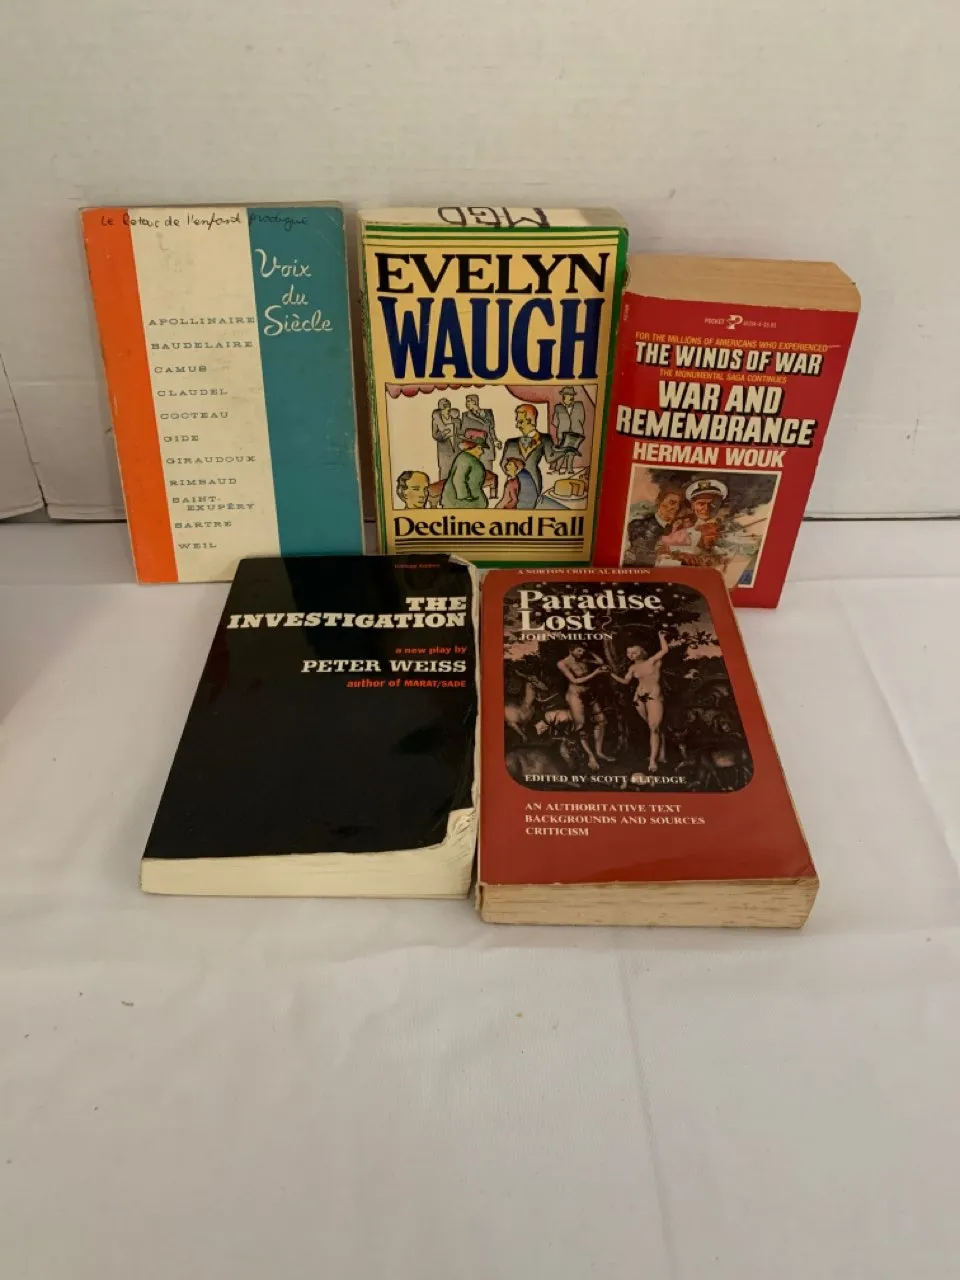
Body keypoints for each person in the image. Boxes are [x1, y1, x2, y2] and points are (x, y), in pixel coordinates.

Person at [609, 632, 671, 773]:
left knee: (654, 728)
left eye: (634, 652)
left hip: (653, 696)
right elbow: (625, 682)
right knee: (653, 727)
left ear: (641, 652)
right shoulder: (632, 668)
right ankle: (661, 754)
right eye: (628, 653)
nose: (631, 655)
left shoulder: (652, 661)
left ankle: (652, 761)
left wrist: (661, 636)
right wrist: (610, 674)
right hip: (638, 698)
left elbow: (665, 650)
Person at [556, 644, 613, 771]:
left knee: (601, 721)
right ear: (570, 650)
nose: (582, 653)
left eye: (583, 651)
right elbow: (575, 681)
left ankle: (599, 752)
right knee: (581, 725)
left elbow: (600, 662)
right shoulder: (562, 663)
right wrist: (596, 673)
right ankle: (590, 756)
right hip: (575, 696)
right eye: (579, 650)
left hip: (589, 694)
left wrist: (591, 652)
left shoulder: (584, 660)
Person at [500, 404, 555, 501]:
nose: (517, 425)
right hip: (514, 486)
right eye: (517, 422)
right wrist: (514, 473)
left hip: (534, 483)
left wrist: (566, 449)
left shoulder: (545, 439)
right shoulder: (511, 443)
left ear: (531, 421)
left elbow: (550, 458)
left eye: (520, 422)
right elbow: (503, 463)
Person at [625, 486, 683, 565]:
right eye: (672, 503)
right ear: (659, 502)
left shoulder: (676, 528)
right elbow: (639, 555)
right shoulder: (639, 525)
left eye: (678, 505)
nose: (676, 508)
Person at [440, 426, 488, 508]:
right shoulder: (465, 459)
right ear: (470, 446)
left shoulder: (469, 459)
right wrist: (465, 497)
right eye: (479, 448)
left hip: (470, 499)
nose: (482, 452)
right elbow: (458, 479)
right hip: (460, 502)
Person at [551, 385, 586, 475]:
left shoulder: (579, 405)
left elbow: (582, 418)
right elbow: (555, 421)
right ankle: (557, 470)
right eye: (567, 396)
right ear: (563, 397)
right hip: (563, 433)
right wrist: (563, 426)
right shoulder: (558, 407)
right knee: (561, 451)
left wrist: (576, 426)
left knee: (572, 452)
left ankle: (569, 469)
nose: (569, 398)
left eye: (571, 396)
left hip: (575, 433)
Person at [461, 394, 499, 471]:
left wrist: (495, 440)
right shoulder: (465, 415)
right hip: (474, 448)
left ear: (474, 402)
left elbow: (491, 429)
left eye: (468, 401)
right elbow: (464, 432)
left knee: (488, 471)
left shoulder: (488, 412)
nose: (466, 404)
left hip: (488, 446)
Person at [431, 398, 462, 483]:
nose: (446, 411)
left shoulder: (456, 419)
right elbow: (435, 435)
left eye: (448, 408)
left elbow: (461, 432)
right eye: (444, 408)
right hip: (444, 450)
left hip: (457, 448)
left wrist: (456, 432)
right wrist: (443, 434)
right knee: (445, 472)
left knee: (458, 471)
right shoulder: (436, 420)